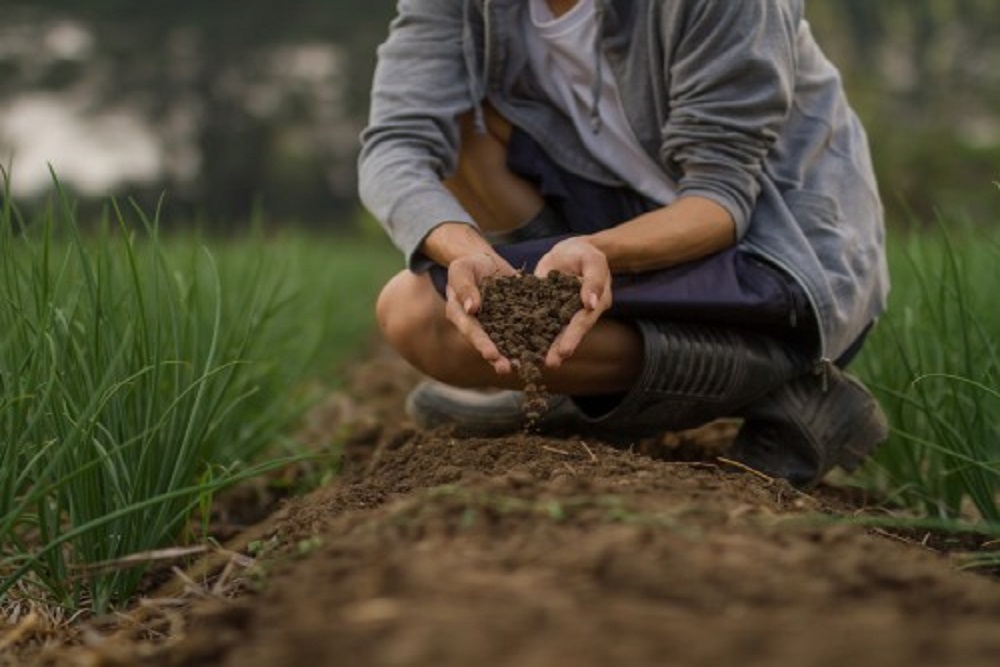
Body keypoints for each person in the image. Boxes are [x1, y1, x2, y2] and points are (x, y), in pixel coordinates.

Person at [359, 0, 890, 488]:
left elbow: (721, 196)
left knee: (418, 316)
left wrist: (601, 251)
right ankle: (581, 379)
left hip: (773, 249)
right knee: (460, 137)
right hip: (616, 213)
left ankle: (779, 374)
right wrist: (464, 249)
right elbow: (396, 142)